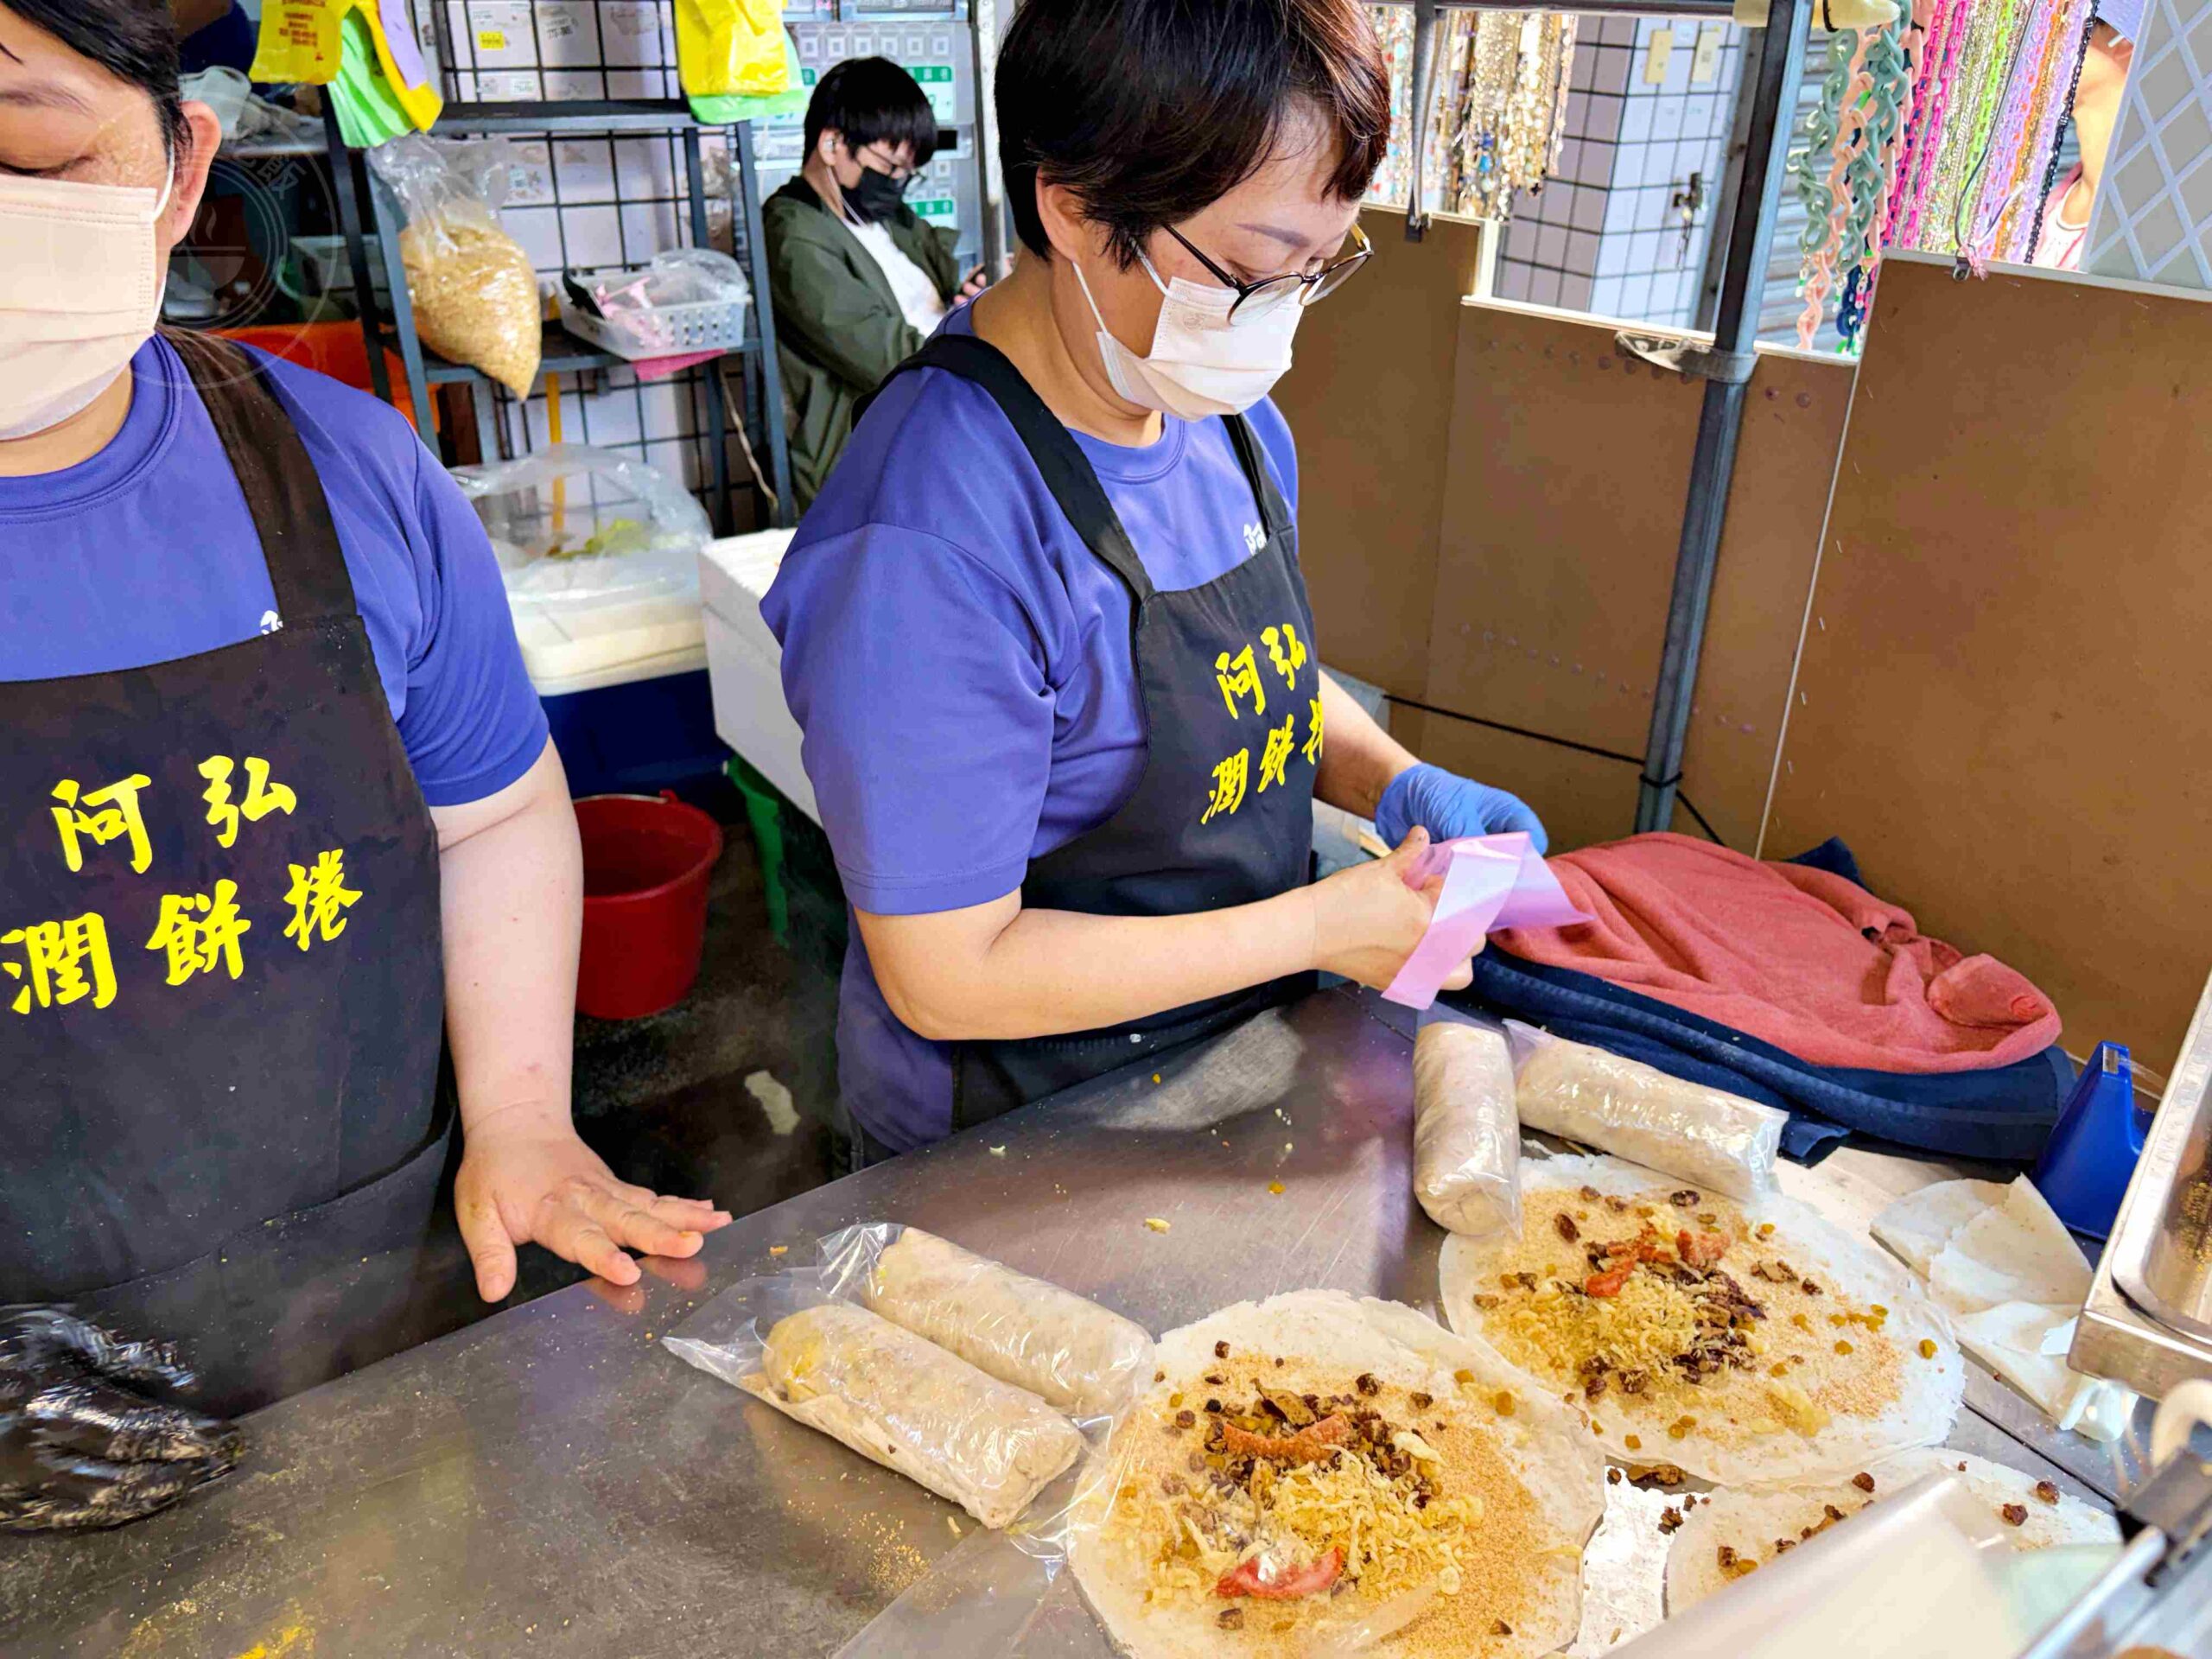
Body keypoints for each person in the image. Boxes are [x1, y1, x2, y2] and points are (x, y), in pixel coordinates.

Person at [0, 0, 729, 1525]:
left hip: (378, 1345)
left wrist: (526, 1114)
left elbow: (497, 818)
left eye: (20, 151)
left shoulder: (347, 473)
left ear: (182, 169)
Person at [763, 0, 1549, 1169]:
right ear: (1074, 206)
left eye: (1313, 274)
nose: (1275, 321)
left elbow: (1239, 668)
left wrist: (1394, 775)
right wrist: (1324, 927)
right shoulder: (927, 543)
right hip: (1012, 1135)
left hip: (1238, 1061)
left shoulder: (1225, 421)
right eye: (1248, 270)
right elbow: (944, 975)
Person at [763, 55, 987, 510]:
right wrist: (982, 334)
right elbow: (885, 357)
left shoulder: (886, 216)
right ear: (832, 145)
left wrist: (977, 299)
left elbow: (943, 289)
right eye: (889, 168)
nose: (897, 185)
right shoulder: (792, 233)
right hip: (867, 457)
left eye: (908, 172)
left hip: (939, 420)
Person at [2031, 2, 2141, 271]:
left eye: (2069, 23)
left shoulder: (2143, 235)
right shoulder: (2047, 196)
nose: (2047, 38)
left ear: (2124, 44)